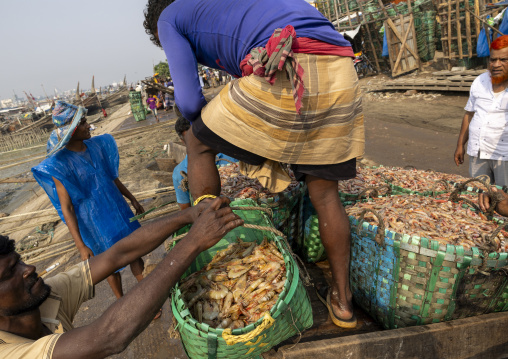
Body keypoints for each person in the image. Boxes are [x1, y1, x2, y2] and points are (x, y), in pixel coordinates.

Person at [143, 0, 363, 328]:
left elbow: (188, 101)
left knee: (196, 140)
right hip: (340, 67)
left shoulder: (170, 18)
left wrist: (206, 126)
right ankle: (343, 303)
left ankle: (210, 249)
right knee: (326, 195)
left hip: (289, 61)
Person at [0, 197, 243, 358]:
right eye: (10, 272)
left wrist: (187, 216)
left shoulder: (45, 296)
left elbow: (118, 254)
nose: (29, 268)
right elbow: (110, 336)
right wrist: (192, 243)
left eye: (19, 260)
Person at [31, 101, 149, 304]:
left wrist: (133, 199)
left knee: (134, 250)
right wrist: (80, 245)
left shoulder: (98, 146)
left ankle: (147, 293)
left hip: (117, 209)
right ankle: (122, 302)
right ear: (72, 130)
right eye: (83, 123)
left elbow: (112, 177)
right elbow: (66, 208)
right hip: (94, 222)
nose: (89, 126)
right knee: (109, 263)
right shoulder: (60, 164)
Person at [454, 35, 508, 186]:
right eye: (493, 59)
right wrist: (460, 145)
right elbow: (469, 114)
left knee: (503, 200)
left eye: (503, 60)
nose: (496, 65)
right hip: (478, 152)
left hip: (504, 156)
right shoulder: (480, 81)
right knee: (479, 194)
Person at [172, 116, 238, 210]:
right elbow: (186, 209)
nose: (196, 143)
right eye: (190, 140)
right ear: (183, 141)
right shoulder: (180, 172)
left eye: (198, 138)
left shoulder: (229, 154)